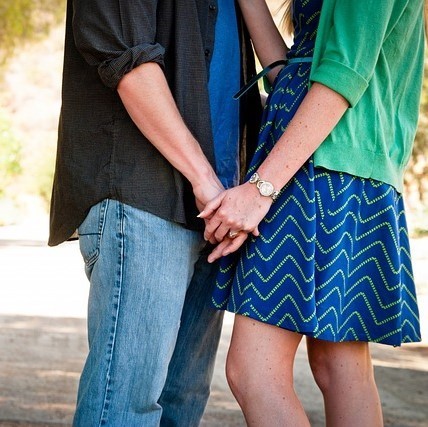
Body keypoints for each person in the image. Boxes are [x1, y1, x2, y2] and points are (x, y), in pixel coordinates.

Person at [199, 0, 424, 425]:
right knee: (340, 367)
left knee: (253, 371)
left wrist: (262, 188)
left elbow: (344, 73)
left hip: (316, 168)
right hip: (343, 169)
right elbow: (289, 69)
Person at [48, 0, 261, 425]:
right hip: (147, 195)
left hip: (220, 210)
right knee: (126, 407)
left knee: (181, 404)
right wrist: (203, 178)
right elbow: (129, 63)